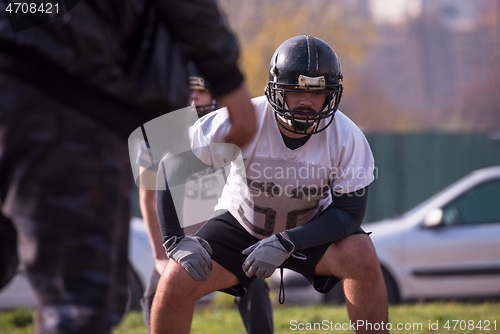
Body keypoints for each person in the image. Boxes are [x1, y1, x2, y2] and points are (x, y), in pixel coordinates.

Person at [0, 1, 256, 333]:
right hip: (70, 98)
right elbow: (153, 193)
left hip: (20, 73)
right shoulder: (171, 130)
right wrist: (228, 80)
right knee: (79, 307)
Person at [150, 35, 389, 334]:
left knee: (362, 254)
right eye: (295, 91)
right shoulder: (241, 121)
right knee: (174, 280)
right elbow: (171, 169)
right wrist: (174, 240)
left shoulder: (347, 137)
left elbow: (349, 214)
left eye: (318, 93)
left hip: (309, 229)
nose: (307, 102)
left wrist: (289, 241)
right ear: (277, 90)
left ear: (331, 94)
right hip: (242, 225)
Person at [137, 70, 273, 334]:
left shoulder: (228, 131)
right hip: (177, 241)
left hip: (226, 236)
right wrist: (160, 254)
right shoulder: (156, 135)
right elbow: (149, 196)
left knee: (255, 287)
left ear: (216, 96)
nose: (193, 98)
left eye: (201, 91)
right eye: (188, 91)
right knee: (155, 294)